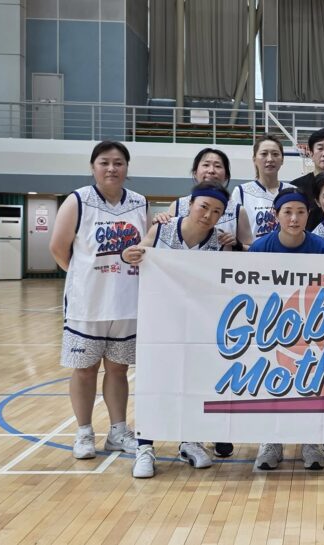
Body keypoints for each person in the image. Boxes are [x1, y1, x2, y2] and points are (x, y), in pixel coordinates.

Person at [121, 181, 233, 478]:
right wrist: (129, 255)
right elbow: (138, 252)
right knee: (154, 384)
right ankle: (145, 446)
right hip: (159, 322)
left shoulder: (220, 242)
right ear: (190, 204)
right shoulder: (162, 229)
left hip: (199, 325)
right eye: (203, 207)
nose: (208, 215)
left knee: (196, 383)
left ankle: (189, 441)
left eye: (216, 211)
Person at [49, 141, 146, 460]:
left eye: (118, 163)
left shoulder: (139, 202)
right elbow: (58, 248)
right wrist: (84, 276)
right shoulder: (78, 200)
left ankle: (118, 431)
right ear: (93, 167)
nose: (112, 168)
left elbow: (145, 247)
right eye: (104, 162)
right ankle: (84, 432)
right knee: (85, 370)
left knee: (118, 370)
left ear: (127, 168)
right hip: (87, 304)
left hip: (127, 302)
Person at [248, 188, 324, 470]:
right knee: (272, 385)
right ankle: (271, 441)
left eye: (300, 212)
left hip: (311, 328)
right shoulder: (260, 248)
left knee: (310, 385)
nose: (294, 219)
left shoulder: (322, 248)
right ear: (276, 215)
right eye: (287, 212)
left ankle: (311, 440)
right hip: (271, 328)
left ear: (308, 215)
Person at [168, 148, 252, 252]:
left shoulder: (238, 211)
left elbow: (251, 250)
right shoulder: (177, 205)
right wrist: (160, 219)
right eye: (206, 165)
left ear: (226, 176)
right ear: (195, 172)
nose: (211, 171)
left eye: (218, 166)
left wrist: (237, 245)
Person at [232, 134, 294, 238]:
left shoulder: (292, 191)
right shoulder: (241, 192)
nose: (270, 159)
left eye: (275, 154)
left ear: (282, 159)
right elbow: (232, 231)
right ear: (254, 159)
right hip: (252, 248)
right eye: (264, 154)